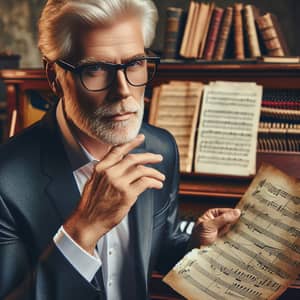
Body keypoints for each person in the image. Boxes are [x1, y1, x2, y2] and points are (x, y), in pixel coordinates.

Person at [0, 0, 241, 299]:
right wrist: (83, 229)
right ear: (54, 76)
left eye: (135, 63)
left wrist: (196, 244)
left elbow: (158, 246)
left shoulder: (160, 147)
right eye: (96, 69)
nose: (123, 90)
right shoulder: (5, 181)